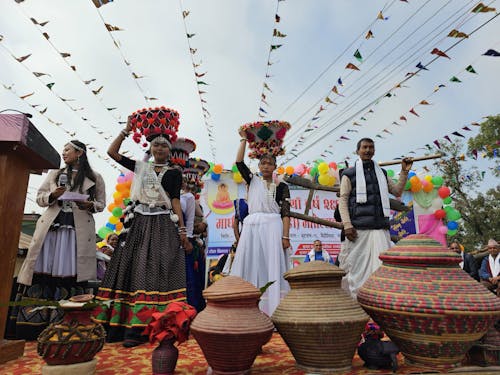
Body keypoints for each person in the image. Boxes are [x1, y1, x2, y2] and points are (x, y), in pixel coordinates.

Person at [94, 115, 191, 347]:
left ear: (169, 151)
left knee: (158, 270)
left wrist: (182, 231)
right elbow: (112, 153)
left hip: (162, 225)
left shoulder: (174, 173)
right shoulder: (140, 167)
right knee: (134, 267)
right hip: (138, 224)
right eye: (155, 144)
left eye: (163, 146)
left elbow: (175, 201)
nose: (159, 148)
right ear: (150, 147)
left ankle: (153, 327)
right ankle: (124, 328)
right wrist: (125, 130)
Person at [13, 140, 106, 340]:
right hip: (51, 229)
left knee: (70, 273)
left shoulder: (94, 177)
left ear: (79, 153)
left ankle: (66, 325)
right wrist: (53, 195)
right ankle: (32, 327)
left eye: (67, 150)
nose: (63, 153)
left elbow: (101, 204)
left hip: (76, 232)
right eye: (63, 150)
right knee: (42, 270)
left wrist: (89, 205)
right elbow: (40, 198)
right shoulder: (54, 174)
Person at [338, 138, 413, 298]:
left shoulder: (382, 173)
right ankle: (357, 306)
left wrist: (404, 171)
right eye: (364, 147)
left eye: (371, 147)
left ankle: (379, 304)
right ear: (358, 151)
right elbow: (343, 200)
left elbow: (397, 191)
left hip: (380, 228)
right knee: (357, 271)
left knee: (382, 269)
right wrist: (347, 225)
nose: (367, 150)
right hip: (358, 231)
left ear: (374, 151)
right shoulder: (348, 174)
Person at [228, 129, 291, 316]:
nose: (265, 166)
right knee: (250, 262)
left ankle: (275, 311)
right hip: (252, 228)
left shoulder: (282, 186)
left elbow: (285, 214)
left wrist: (285, 236)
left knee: (272, 266)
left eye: (269, 163)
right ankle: (246, 311)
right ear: (258, 165)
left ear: (275, 167)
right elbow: (239, 162)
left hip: (273, 227)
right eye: (262, 163)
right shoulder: (252, 180)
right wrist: (242, 139)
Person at [181, 178, 206, 312]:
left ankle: (192, 308)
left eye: (193, 186)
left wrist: (190, 236)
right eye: (189, 185)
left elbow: (201, 222)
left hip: (190, 242)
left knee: (193, 277)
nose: (191, 188)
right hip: (170, 239)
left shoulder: (189, 198)